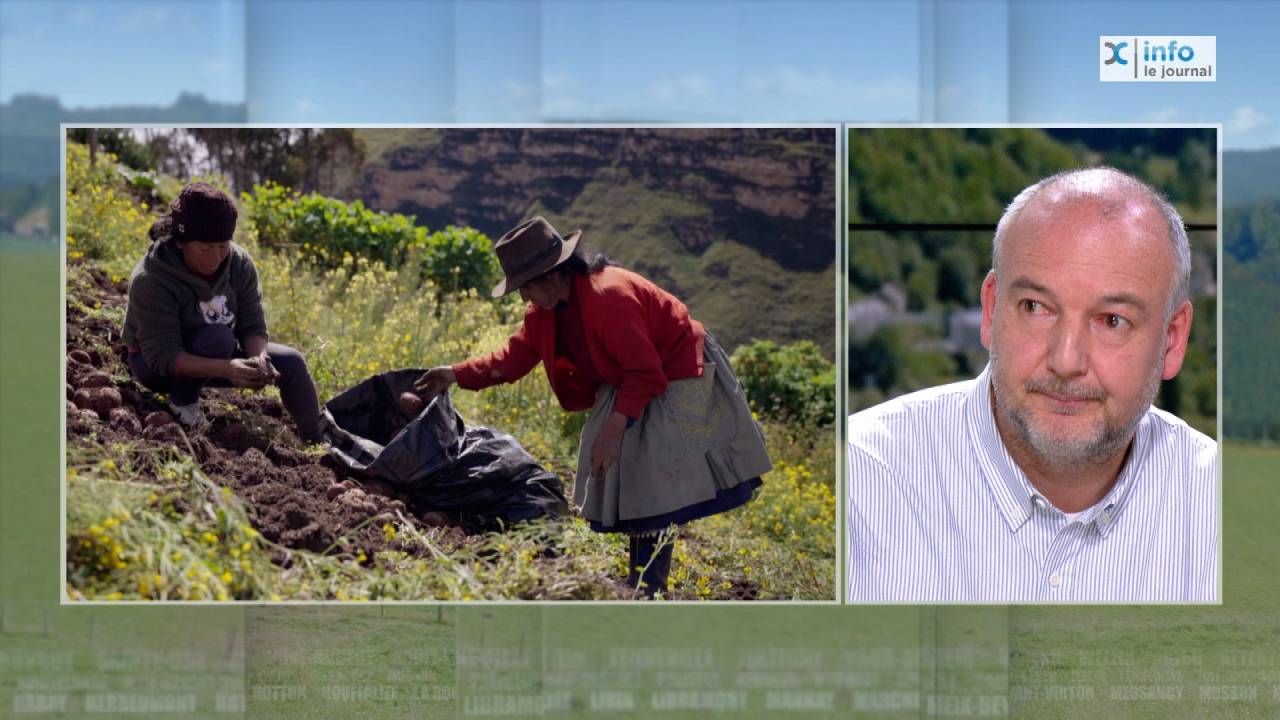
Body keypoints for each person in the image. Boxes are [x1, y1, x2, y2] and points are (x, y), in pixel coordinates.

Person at [846, 167, 1217, 603]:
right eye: (1036, 307)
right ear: (990, 310)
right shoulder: (858, 479)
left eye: (1112, 321)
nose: (1065, 361)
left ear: (1172, 340)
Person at [414, 216, 772, 598]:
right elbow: (513, 359)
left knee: (653, 475)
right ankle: (642, 580)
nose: (523, 298)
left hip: (675, 367)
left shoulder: (609, 297)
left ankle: (648, 586)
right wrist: (452, 374)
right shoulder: (544, 315)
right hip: (630, 375)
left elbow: (645, 372)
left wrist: (612, 434)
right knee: (629, 470)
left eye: (526, 287)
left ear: (551, 277)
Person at [122, 182, 327, 443]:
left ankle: (316, 439)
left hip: (214, 350)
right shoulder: (152, 279)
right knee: (218, 339)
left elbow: (252, 325)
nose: (215, 257)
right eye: (205, 248)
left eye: (222, 245)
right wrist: (226, 368)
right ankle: (183, 402)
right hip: (154, 364)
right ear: (181, 242)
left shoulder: (239, 264)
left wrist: (258, 359)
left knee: (293, 362)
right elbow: (162, 356)